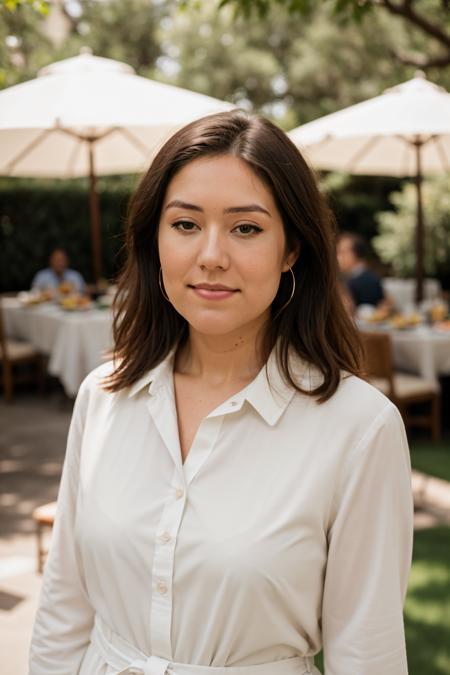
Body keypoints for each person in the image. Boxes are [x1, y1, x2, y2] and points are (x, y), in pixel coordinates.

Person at [29, 111, 413, 675]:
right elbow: (64, 609)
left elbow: (367, 653)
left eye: (246, 228)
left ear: (292, 251)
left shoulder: (358, 427)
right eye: (185, 224)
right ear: (153, 240)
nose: (211, 254)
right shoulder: (103, 396)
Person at [337, 231, 388, 309]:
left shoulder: (361, 281)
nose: (338, 257)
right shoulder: (371, 276)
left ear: (356, 254)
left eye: (342, 252)